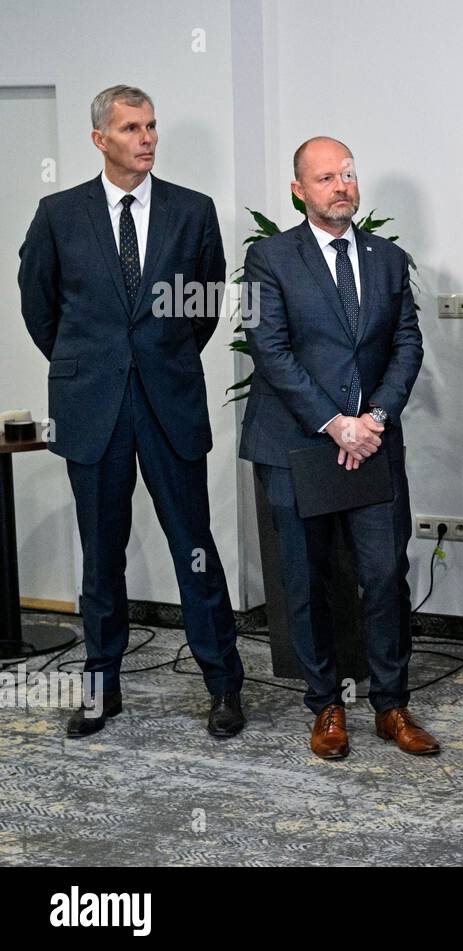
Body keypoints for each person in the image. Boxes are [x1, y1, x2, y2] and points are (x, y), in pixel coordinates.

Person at [18, 85, 245, 739]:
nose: (146, 138)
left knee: (194, 549)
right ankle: (100, 692)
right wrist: (91, 363)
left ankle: (224, 687)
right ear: (100, 140)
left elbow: (201, 306)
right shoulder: (59, 214)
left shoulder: (191, 211)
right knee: (100, 557)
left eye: (151, 126)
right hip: (93, 409)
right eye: (130, 128)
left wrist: (159, 358)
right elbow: (40, 304)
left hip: (168, 403)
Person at [239, 136, 433, 761]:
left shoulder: (388, 258)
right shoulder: (266, 258)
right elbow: (269, 349)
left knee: (384, 575)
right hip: (298, 445)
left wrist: (371, 418)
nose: (340, 186)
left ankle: (391, 705)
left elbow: (407, 344)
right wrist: (334, 423)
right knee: (307, 580)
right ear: (299, 190)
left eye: (347, 175)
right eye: (325, 178)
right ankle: (325, 705)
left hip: (372, 441)